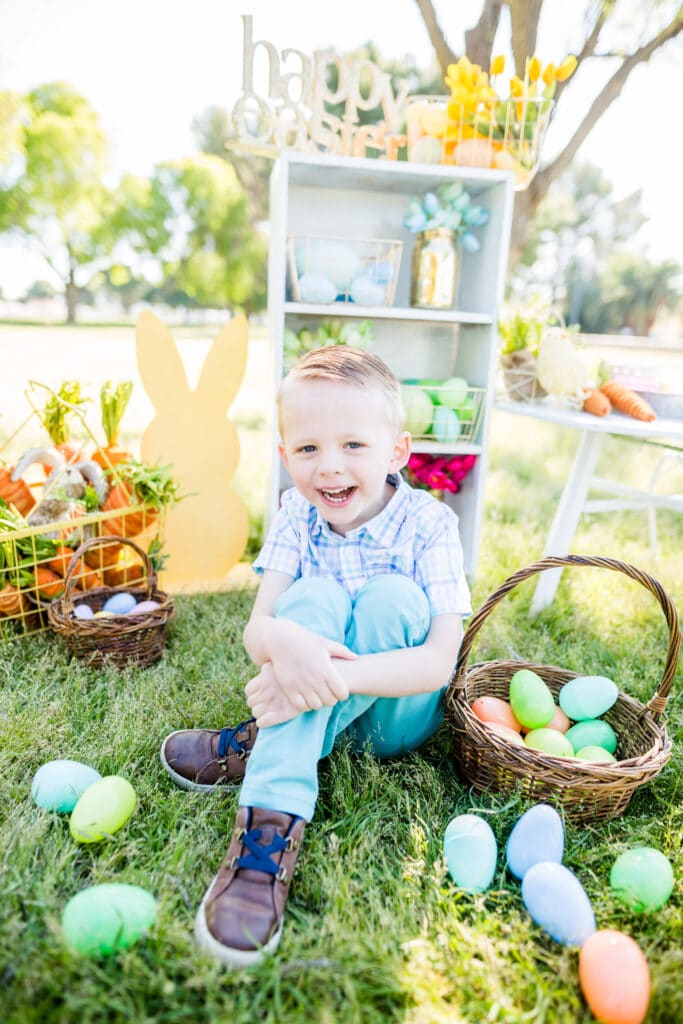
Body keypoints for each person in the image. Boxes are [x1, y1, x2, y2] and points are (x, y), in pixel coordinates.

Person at [160, 346, 472, 968]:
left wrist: (308, 679)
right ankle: (270, 825)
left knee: (391, 598)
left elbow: (439, 663)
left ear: (398, 452)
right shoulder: (295, 514)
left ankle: (267, 736)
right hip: (320, 704)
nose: (329, 468)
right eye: (307, 449)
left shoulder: (431, 524)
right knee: (311, 600)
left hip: (394, 720)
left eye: (353, 446)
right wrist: (285, 642)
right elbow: (258, 629)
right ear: (284, 456)